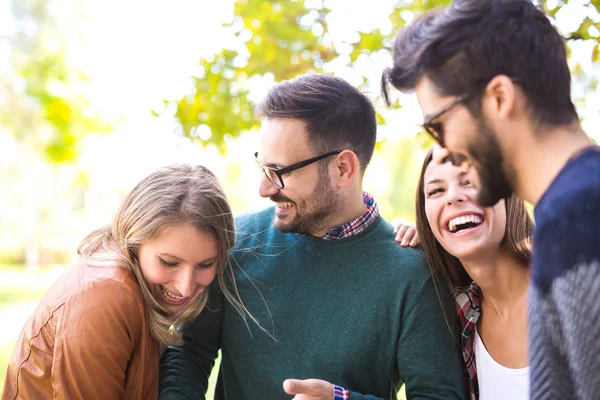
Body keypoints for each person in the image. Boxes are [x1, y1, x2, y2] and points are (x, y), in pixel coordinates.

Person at [159, 73, 466, 400]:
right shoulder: (235, 242)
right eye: (263, 168)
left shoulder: (412, 274)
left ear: (343, 169)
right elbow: (190, 353)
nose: (264, 189)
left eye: (279, 172)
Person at [381, 0, 600, 397]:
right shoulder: (567, 217)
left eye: (439, 125)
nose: (443, 150)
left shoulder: (582, 218)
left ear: (499, 98)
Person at [3, 164, 244, 400]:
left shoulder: (142, 292)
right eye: (169, 263)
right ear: (133, 240)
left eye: (205, 265)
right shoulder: (105, 297)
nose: (186, 287)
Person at [394, 146, 533, 400]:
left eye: (470, 182)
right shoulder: (458, 311)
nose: (452, 197)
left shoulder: (574, 282)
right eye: (436, 191)